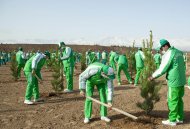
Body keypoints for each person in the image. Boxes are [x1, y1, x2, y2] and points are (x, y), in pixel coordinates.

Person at [148, 39, 186, 126]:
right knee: (179, 99)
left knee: (172, 100)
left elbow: (162, 69)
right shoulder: (179, 52)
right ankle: (179, 118)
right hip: (181, 80)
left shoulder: (169, 53)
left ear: (165, 46)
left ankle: (172, 120)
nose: (161, 51)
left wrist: (152, 76)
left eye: (161, 49)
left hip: (174, 81)